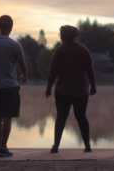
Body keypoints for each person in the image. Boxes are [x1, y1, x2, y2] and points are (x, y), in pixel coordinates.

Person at [45, 25, 96, 153]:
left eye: (61, 34)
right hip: (81, 89)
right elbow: (90, 70)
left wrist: (49, 87)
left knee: (61, 116)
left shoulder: (59, 50)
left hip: (63, 89)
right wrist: (93, 85)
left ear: (64, 36)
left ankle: (55, 146)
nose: (60, 36)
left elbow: (53, 71)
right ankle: (87, 146)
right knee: (81, 117)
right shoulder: (84, 50)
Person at [0, 15, 28, 157]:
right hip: (10, 86)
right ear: (11, 27)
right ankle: (3, 147)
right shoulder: (15, 45)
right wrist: (24, 75)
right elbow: (22, 64)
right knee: (7, 117)